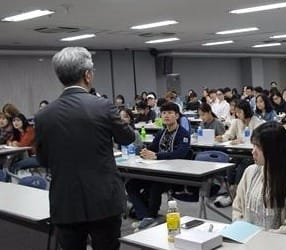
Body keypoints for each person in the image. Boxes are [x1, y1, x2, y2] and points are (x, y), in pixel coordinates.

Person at [35, 47, 135, 250]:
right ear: (87, 75)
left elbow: (43, 160)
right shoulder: (103, 106)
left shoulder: (43, 115)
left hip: (65, 200)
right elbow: (127, 138)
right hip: (104, 198)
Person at [125, 102, 190, 230]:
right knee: (130, 185)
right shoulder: (161, 133)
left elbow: (180, 154)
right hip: (156, 171)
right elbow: (152, 148)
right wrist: (145, 152)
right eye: (164, 113)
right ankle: (147, 217)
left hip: (173, 174)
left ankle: (149, 217)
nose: (166, 116)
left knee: (155, 185)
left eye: (170, 113)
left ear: (177, 116)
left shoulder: (183, 134)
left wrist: (156, 156)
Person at [232, 122, 286, 233]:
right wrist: (241, 229)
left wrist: (262, 236)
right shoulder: (250, 172)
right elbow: (237, 209)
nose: (253, 152)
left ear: (273, 150)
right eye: (253, 145)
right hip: (246, 240)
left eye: (258, 147)